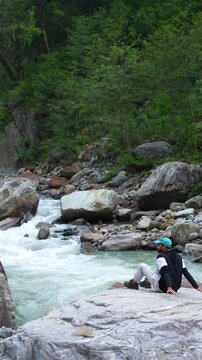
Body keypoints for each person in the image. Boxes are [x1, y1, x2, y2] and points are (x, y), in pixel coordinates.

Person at [124, 237, 202, 295]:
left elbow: (165, 271)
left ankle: (133, 284)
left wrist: (169, 287)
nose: (156, 246)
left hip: (162, 287)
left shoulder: (161, 256)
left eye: (158, 244)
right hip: (176, 288)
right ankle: (146, 282)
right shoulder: (179, 257)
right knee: (158, 269)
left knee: (142, 266)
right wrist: (197, 287)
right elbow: (186, 273)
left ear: (164, 246)